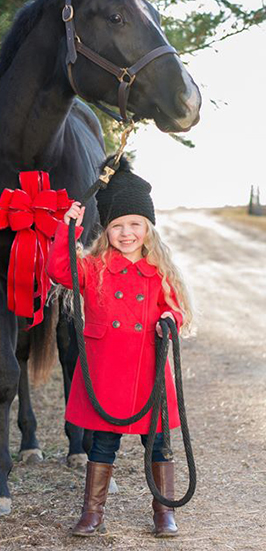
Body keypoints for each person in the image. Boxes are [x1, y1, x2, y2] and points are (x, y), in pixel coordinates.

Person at [46, 156, 193, 538]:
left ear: (148, 228)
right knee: (102, 444)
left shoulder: (159, 272)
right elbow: (59, 271)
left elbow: (176, 309)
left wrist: (168, 321)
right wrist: (67, 229)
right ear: (106, 229)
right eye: (117, 226)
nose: (126, 233)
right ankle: (92, 512)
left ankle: (164, 512)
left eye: (135, 225)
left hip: (148, 373)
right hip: (107, 372)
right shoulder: (94, 268)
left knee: (159, 443)